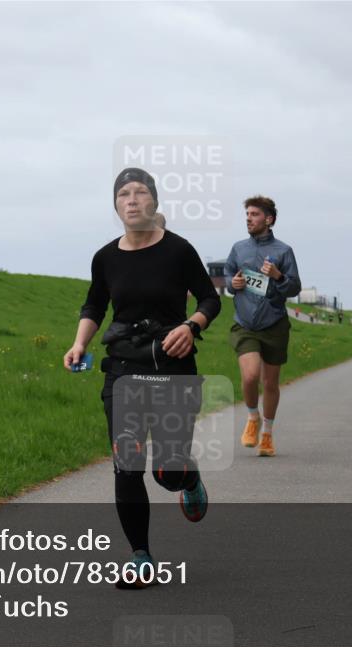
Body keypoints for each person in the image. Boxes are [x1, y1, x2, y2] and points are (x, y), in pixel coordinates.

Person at [63, 167, 221, 587]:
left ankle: (188, 478)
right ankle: (140, 557)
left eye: (140, 193)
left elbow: (210, 297)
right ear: (115, 206)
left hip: (172, 367)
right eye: (123, 195)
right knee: (126, 464)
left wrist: (192, 326)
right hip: (124, 370)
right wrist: (79, 343)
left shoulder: (178, 250)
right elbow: (94, 305)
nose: (132, 200)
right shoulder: (105, 258)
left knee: (166, 472)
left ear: (154, 202)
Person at [224, 195, 301, 457]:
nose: (248, 219)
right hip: (245, 324)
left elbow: (294, 287)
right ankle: (252, 417)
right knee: (249, 375)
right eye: (247, 214)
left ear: (268, 219)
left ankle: (267, 434)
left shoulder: (283, 251)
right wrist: (231, 284)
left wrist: (278, 276)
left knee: (270, 383)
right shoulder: (238, 249)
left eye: (254, 214)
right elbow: (228, 274)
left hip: (274, 323)